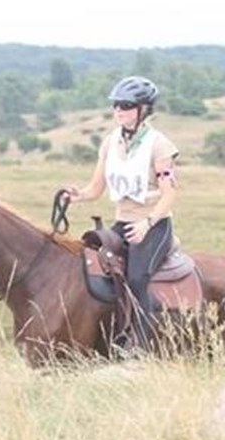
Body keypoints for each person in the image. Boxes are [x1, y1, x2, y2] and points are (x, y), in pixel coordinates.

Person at [64, 76, 180, 347]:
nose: (118, 110)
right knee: (91, 267)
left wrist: (147, 223)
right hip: (122, 223)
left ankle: (142, 346)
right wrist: (77, 196)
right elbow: (95, 189)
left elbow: (170, 193)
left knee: (137, 278)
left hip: (154, 225)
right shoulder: (110, 143)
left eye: (126, 105)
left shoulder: (159, 145)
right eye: (116, 104)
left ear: (143, 110)